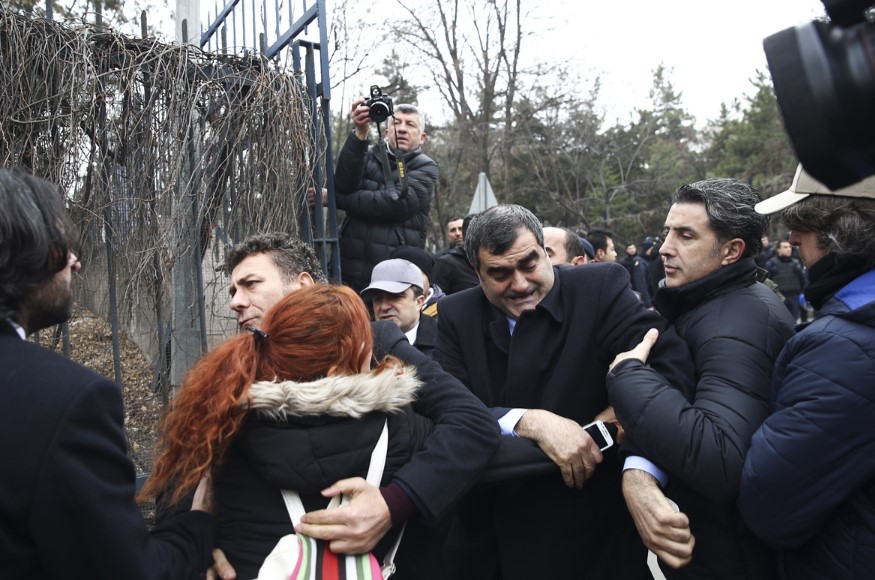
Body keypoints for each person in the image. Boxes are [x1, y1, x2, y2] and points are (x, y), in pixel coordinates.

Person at [217, 232, 500, 580]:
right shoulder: (232, 370)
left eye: (250, 284)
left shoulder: (374, 340)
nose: (235, 301)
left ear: (302, 284)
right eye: (233, 291)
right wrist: (202, 540)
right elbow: (191, 465)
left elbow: (470, 421)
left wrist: (394, 501)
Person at [434, 204, 696, 579]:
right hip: (489, 544)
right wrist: (530, 421)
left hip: (592, 539)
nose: (521, 284)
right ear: (477, 273)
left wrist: (634, 462)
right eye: (500, 273)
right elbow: (445, 407)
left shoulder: (600, 288)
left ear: (544, 251)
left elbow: (669, 368)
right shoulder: (456, 315)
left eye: (529, 264)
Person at [0, 169, 216, 579]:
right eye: (64, 248)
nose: (76, 264)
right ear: (32, 255)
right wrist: (198, 521)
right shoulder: (65, 401)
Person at [141, 285, 434, 578]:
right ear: (344, 360)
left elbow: (172, 525)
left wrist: (200, 548)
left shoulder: (220, 430)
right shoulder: (404, 429)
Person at [605, 178, 796, 579]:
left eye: (685, 235)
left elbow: (720, 458)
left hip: (731, 556)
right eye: (667, 232)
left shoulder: (742, 321)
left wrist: (627, 375)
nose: (664, 248)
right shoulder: (707, 303)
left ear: (731, 251)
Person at [739, 164, 875, 579]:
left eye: (804, 223)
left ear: (845, 231)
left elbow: (770, 504)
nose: (792, 238)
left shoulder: (842, 347)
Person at [333, 99, 437, 292]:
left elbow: (396, 205)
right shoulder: (366, 153)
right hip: (347, 267)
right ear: (387, 132)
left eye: (410, 124)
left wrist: (335, 200)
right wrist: (360, 133)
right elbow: (343, 185)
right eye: (396, 123)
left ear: (422, 137)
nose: (402, 129)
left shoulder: (426, 166)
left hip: (394, 275)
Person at [362, 258, 437, 357]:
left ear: (419, 302)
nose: (384, 307)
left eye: (395, 297)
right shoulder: (361, 342)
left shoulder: (444, 339)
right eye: (378, 299)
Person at [390, 245, 445, 316]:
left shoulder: (445, 311)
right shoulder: (384, 308)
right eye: (401, 274)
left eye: (416, 273)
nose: (409, 279)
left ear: (429, 279)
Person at [432, 213, 480, 295]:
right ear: (448, 234)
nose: (457, 233)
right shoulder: (442, 261)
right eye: (453, 230)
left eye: (460, 229)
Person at [765, 239, 806, 321]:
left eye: (789, 247)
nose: (788, 249)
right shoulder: (771, 264)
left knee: (793, 322)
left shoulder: (796, 263)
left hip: (794, 296)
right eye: (785, 247)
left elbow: (802, 280)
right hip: (778, 298)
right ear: (778, 249)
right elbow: (766, 282)